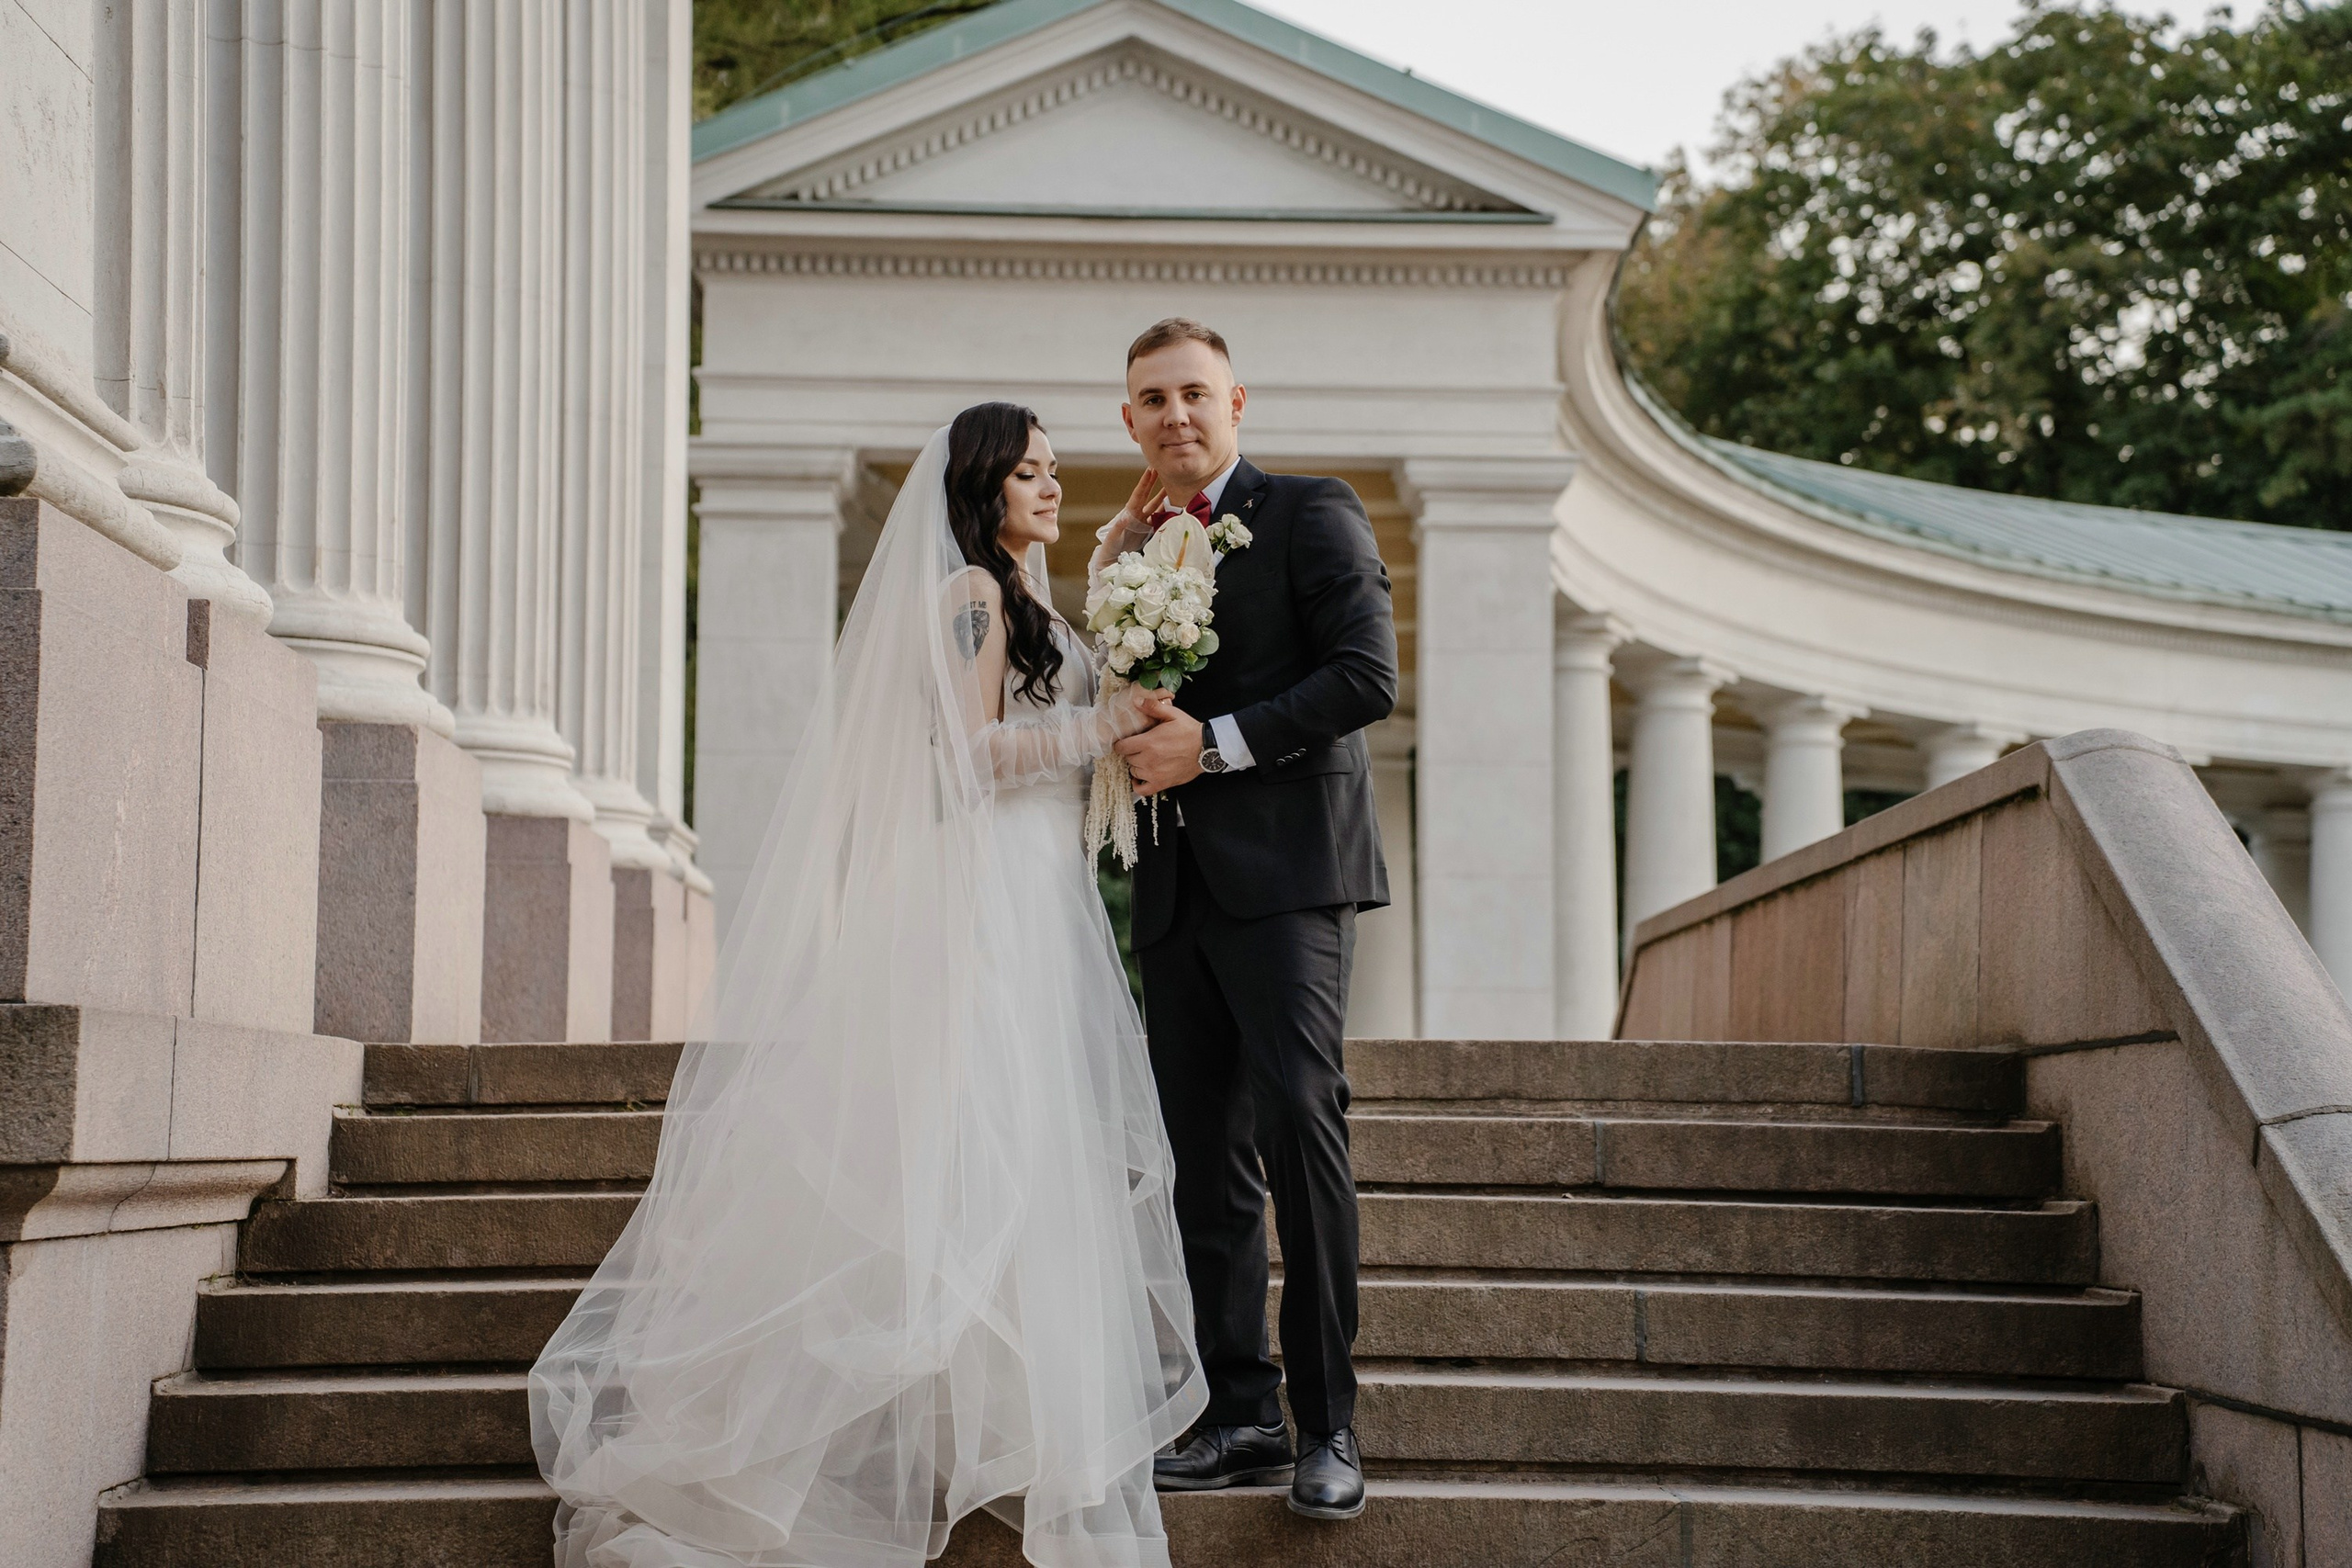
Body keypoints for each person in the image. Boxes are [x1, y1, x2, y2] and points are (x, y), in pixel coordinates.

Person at [530, 404, 1208, 1568]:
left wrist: (1113, 576)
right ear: (981, 486)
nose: (1051, 486)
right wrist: (1101, 725)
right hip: (988, 904)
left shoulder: (1023, 598)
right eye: (1030, 473)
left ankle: (1003, 1436)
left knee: (1024, 1159)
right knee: (967, 1155)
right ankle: (786, 1469)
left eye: (1054, 470)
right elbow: (970, 754)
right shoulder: (971, 602)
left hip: (1041, 903)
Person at [1099, 319, 1398, 1521]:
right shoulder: (1139, 544)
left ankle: (1329, 1424)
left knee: (1298, 1125)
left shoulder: (1312, 510)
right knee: (1202, 1161)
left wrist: (1211, 744)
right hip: (1173, 888)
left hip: (1286, 878)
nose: (1174, 414)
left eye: (1192, 393)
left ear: (1235, 401)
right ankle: (1237, 1412)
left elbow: (1365, 675)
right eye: (1150, 399)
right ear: (1129, 420)